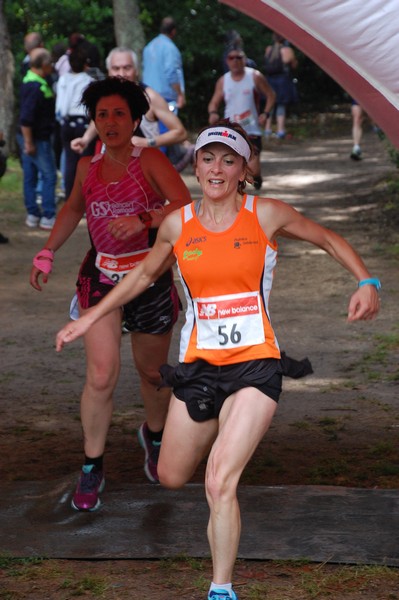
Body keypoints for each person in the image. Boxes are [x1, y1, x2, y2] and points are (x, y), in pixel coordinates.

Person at [55, 120, 380, 600]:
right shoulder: (177, 225)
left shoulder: (265, 215)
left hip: (255, 366)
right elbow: (143, 275)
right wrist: (90, 317)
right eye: (208, 158)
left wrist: (366, 281)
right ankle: (183, 440)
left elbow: (328, 237)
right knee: (170, 475)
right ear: (196, 165)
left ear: (243, 170)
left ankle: (221, 589)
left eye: (229, 160)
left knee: (219, 479)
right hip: (200, 369)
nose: (217, 168)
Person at [30, 77, 191, 511]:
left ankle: (154, 437)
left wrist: (144, 219)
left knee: (153, 373)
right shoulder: (87, 167)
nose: (110, 122)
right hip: (100, 278)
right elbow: (73, 209)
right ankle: (91, 465)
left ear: (136, 118)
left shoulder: (150, 159)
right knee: (101, 375)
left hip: (150, 274)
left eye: (119, 113)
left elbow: (184, 203)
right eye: (102, 115)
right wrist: (47, 251)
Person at [70, 47, 187, 155]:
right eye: (116, 68)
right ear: (108, 71)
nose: (121, 74)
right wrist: (85, 139)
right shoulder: (105, 96)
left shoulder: (150, 97)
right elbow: (100, 119)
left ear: (136, 70)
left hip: (143, 170)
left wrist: (148, 142)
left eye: (127, 68)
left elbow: (180, 132)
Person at [207, 44, 276, 190]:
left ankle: (257, 178)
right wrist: (213, 113)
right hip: (231, 130)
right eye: (232, 58)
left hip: (251, 130)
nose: (235, 61)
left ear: (244, 59)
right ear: (227, 61)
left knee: (253, 170)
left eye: (239, 57)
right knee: (230, 162)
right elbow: (213, 103)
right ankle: (234, 193)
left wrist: (266, 113)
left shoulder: (255, 76)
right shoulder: (223, 81)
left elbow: (271, 95)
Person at [17, 47, 58, 230]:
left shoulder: (33, 80)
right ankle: (48, 215)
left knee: (31, 175)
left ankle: (33, 213)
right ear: (44, 65)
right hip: (36, 138)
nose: (52, 67)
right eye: (50, 64)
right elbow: (26, 118)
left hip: (32, 137)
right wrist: (28, 143)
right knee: (48, 175)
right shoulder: (35, 87)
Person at [55, 46, 94, 197]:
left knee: (70, 162)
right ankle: (84, 197)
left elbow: (60, 105)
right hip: (83, 124)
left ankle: (70, 196)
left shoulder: (63, 79)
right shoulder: (89, 81)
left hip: (66, 122)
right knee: (85, 163)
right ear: (86, 63)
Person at [142, 17, 186, 114]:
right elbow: (171, 73)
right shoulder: (171, 48)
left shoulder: (148, 47)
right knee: (169, 128)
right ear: (173, 31)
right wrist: (180, 94)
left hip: (147, 97)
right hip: (165, 99)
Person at [264, 32, 298, 139]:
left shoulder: (268, 49)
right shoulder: (287, 50)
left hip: (269, 80)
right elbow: (294, 65)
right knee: (281, 105)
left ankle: (267, 129)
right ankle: (280, 130)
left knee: (270, 105)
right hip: (282, 81)